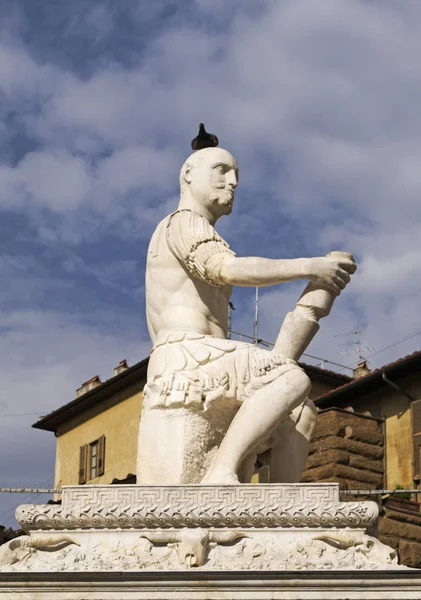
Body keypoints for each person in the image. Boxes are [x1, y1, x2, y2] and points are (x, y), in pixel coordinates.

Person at [140, 146, 356, 485]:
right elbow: (225, 268)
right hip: (186, 357)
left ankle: (280, 514)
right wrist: (310, 267)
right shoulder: (183, 222)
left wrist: (320, 287)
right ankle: (221, 471)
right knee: (292, 379)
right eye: (222, 170)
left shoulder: (199, 228)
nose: (233, 182)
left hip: (210, 359)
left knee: (300, 412)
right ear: (188, 174)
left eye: (235, 174)